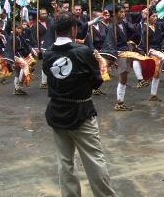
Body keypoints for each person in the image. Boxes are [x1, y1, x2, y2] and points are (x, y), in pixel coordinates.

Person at [42, 11, 117, 197]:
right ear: (74, 29)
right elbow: (96, 82)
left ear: (55, 30)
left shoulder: (48, 55)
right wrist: (101, 63)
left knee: (65, 163)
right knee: (94, 160)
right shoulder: (84, 52)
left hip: (57, 111)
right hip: (81, 112)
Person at [137, 7, 164, 102]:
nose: (156, 18)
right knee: (158, 67)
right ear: (148, 17)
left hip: (159, 49)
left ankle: (153, 95)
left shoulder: (159, 25)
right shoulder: (143, 27)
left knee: (157, 74)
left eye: (156, 16)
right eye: (153, 16)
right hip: (150, 50)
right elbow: (141, 40)